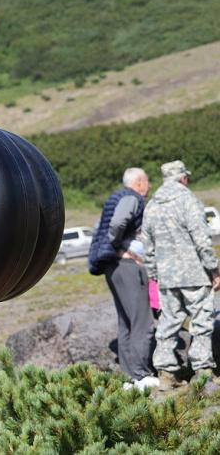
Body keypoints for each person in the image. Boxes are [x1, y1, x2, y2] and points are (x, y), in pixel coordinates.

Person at [141, 160, 220, 389]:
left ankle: (166, 375)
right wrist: (214, 269)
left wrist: (154, 274)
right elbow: (202, 240)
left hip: (167, 276)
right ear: (183, 178)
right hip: (193, 273)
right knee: (202, 321)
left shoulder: (153, 204)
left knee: (168, 322)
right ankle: (203, 371)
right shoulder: (188, 200)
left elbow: (148, 246)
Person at [88, 167, 158, 391]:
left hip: (115, 267)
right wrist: (117, 245)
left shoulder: (115, 197)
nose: (149, 186)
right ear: (138, 183)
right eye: (146, 182)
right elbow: (118, 223)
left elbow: (102, 227)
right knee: (142, 321)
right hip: (128, 266)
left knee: (126, 322)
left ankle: (129, 378)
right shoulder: (132, 198)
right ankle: (141, 374)